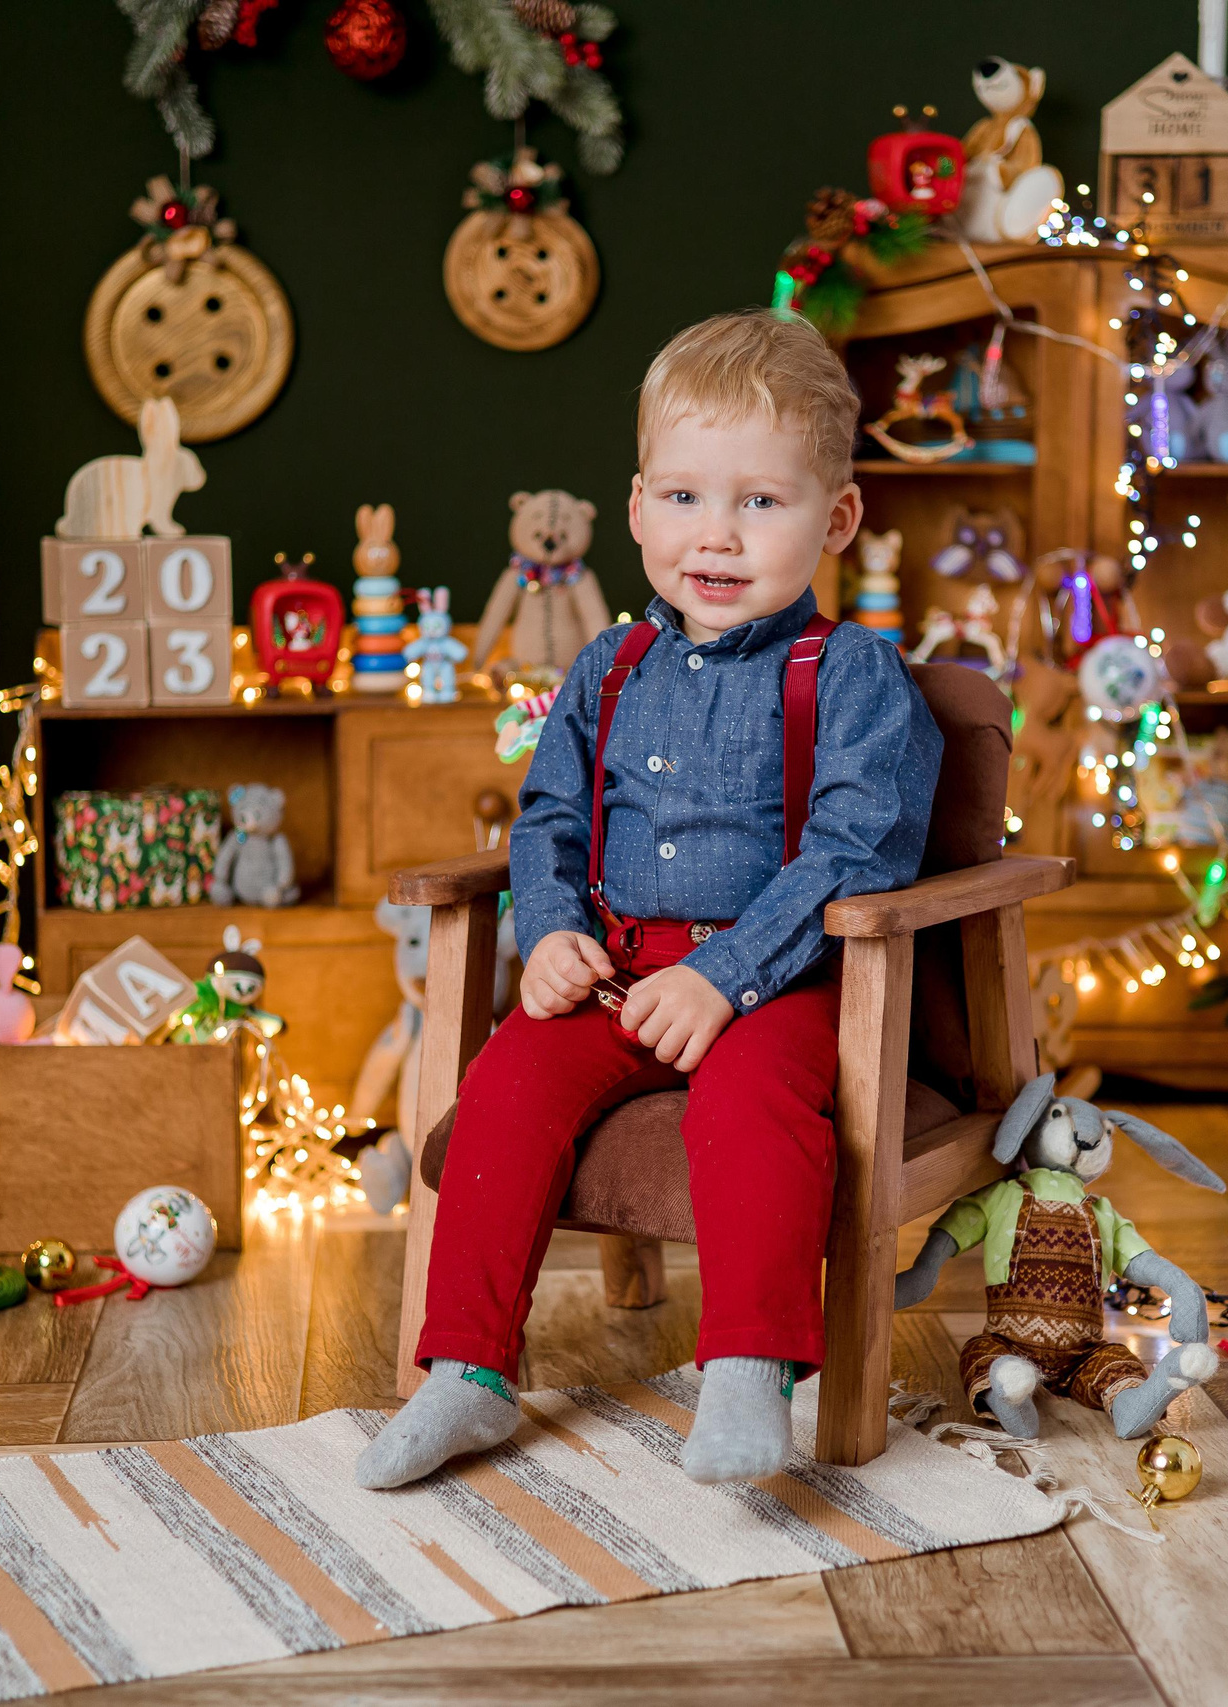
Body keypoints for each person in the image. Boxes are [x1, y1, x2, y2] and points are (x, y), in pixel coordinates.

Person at [356, 309, 944, 1489]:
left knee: (750, 1107)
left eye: (760, 504)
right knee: (508, 1083)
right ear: (634, 508)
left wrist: (725, 977)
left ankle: (746, 1370)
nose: (714, 536)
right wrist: (555, 929)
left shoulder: (849, 674)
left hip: (779, 973)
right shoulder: (609, 664)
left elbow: (856, 846)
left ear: (834, 518)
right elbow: (552, 819)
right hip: (616, 962)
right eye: (682, 498)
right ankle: (465, 1373)